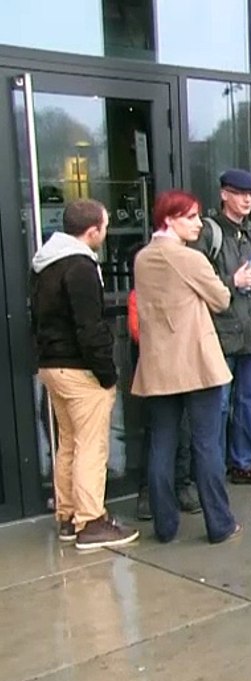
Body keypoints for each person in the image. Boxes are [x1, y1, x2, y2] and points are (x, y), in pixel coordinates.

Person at [132, 190, 243, 545]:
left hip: (158, 365)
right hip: (197, 363)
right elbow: (223, 299)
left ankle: (165, 527)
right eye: (191, 217)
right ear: (169, 219)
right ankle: (220, 524)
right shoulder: (190, 259)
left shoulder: (142, 259)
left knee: (162, 445)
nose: (198, 223)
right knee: (206, 445)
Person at [31, 198, 138, 550]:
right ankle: (91, 522)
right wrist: (107, 373)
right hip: (79, 368)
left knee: (69, 445)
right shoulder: (80, 267)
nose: (105, 233)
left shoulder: (46, 263)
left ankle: (68, 515)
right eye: (104, 227)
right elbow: (89, 327)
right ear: (92, 231)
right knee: (91, 446)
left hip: (51, 365)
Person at [197, 169, 251, 487]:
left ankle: (244, 463)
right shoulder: (209, 232)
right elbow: (198, 284)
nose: (247, 199)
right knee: (217, 405)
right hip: (222, 333)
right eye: (240, 193)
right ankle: (212, 470)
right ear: (224, 195)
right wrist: (234, 282)